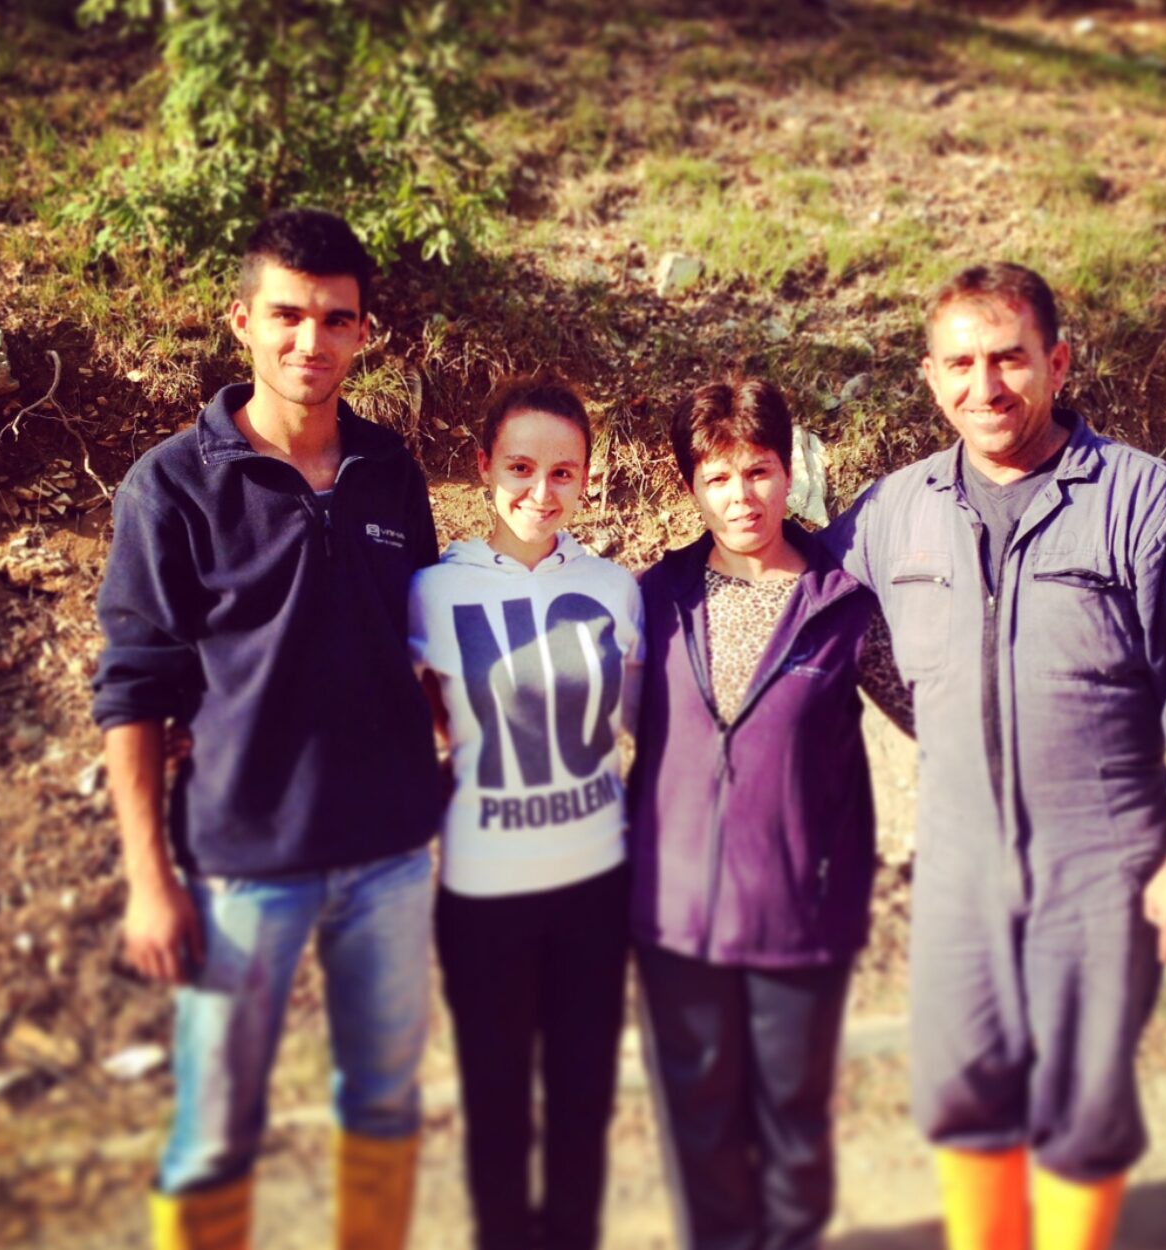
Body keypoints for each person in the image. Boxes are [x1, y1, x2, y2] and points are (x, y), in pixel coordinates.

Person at [827, 263, 1166, 1250]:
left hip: (1104, 856)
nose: (983, 387)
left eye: (1008, 359)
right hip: (957, 860)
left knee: (1083, 1103)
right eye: (958, 363)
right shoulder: (890, 513)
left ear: (1057, 361)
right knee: (962, 1085)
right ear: (928, 375)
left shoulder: (1139, 499)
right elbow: (813, 620)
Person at [92, 209, 440, 1250]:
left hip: (388, 856)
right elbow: (132, 693)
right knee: (214, 1135)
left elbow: (417, 643)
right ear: (242, 319)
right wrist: (150, 880)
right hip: (242, 868)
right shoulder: (173, 485)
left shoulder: (390, 470)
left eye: (336, 319)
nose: (310, 342)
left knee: (382, 1109)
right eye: (287, 315)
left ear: (365, 333)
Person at [628, 378, 913, 1250]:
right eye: (716, 478)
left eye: (757, 471)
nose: (740, 496)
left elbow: (934, 716)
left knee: (792, 1122)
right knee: (698, 1128)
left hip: (800, 912)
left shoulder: (845, 607)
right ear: (690, 488)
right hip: (674, 915)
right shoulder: (654, 598)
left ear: (790, 474)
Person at [407, 375, 643, 1250]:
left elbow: (639, 723)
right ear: (481, 467)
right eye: (519, 467)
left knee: (583, 1105)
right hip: (483, 896)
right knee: (498, 1109)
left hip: (595, 886)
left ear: (587, 479)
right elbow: (405, 713)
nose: (540, 492)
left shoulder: (618, 590)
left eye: (563, 473)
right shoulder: (432, 593)